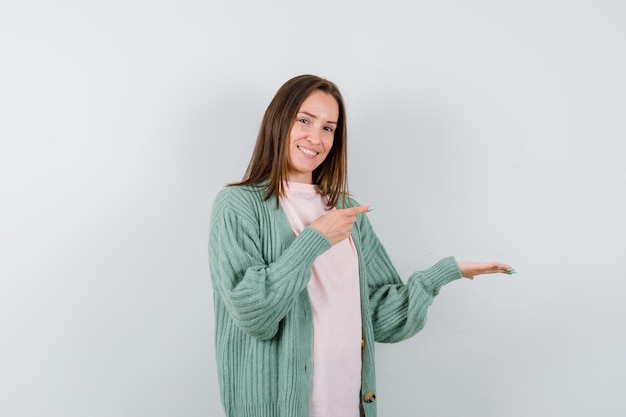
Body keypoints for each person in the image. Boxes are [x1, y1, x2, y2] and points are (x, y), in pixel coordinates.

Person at [208, 74, 516, 417]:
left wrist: (440, 276)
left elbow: (380, 319)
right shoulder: (238, 205)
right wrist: (314, 241)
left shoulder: (345, 210)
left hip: (347, 404)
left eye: (329, 127)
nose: (316, 137)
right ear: (279, 121)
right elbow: (253, 313)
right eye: (305, 120)